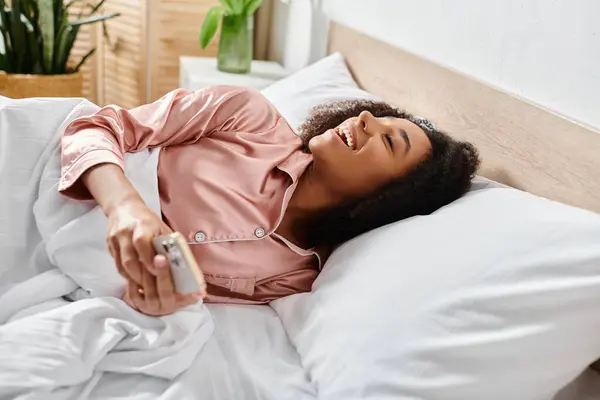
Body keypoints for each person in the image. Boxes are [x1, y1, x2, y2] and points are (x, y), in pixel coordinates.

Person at [59, 85, 480, 316]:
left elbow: (191, 301)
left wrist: (161, 301)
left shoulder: (296, 277)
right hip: (49, 171)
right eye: (379, 116)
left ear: (392, 198)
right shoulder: (247, 116)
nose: (366, 118)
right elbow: (95, 128)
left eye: (390, 141)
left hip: (68, 265)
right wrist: (126, 207)